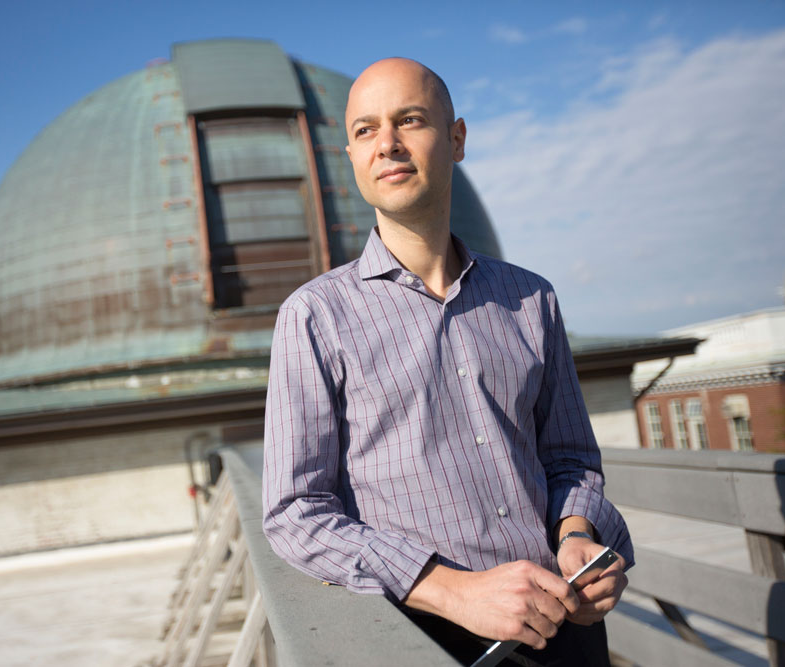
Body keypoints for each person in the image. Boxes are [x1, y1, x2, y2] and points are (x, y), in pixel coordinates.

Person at [262, 57, 633, 666]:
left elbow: (569, 459)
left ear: (456, 139)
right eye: (365, 130)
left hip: (564, 630)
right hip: (424, 641)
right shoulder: (315, 317)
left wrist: (577, 539)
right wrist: (452, 590)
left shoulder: (531, 298)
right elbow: (294, 512)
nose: (387, 144)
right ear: (350, 156)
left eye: (409, 120)